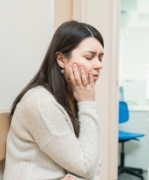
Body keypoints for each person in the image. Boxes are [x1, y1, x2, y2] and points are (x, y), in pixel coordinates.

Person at [3, 20, 104, 180]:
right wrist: (88, 104)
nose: (98, 65)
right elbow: (87, 168)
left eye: (100, 58)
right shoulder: (41, 103)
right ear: (62, 60)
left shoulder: (72, 98)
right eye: (89, 57)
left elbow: (93, 163)